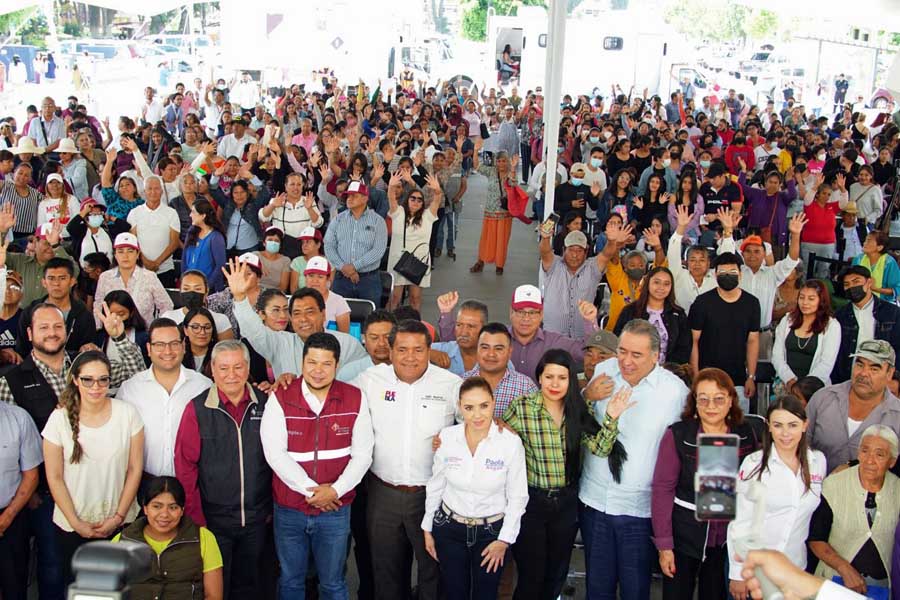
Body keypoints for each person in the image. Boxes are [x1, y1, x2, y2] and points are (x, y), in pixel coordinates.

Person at [578, 320, 690, 600]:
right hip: (595, 501)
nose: (626, 361)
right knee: (597, 588)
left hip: (640, 510)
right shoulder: (603, 372)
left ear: (656, 356)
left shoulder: (675, 393)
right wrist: (586, 395)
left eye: (636, 355)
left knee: (636, 589)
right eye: (622, 351)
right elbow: (581, 423)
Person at [351, 319, 461, 600]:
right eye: (402, 349)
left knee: (432, 571)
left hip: (433, 496)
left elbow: (475, 426)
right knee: (386, 572)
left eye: (418, 350)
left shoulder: (451, 385)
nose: (410, 357)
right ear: (390, 351)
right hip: (382, 494)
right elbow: (330, 394)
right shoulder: (369, 381)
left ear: (429, 351)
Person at [260, 332, 373, 599]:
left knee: (333, 583)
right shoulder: (281, 396)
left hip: (335, 510)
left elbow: (363, 455)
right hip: (289, 509)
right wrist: (314, 491)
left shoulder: (355, 397)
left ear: (337, 365)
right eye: (312, 362)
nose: (318, 371)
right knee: (290, 581)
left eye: (326, 364)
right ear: (302, 363)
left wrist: (334, 491)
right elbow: (274, 453)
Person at [651, 367, 765, 600]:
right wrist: (664, 545)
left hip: (724, 542)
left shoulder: (746, 434)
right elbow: (662, 489)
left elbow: (754, 490)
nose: (711, 406)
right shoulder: (679, 434)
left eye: (718, 399)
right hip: (684, 538)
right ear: (695, 401)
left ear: (731, 399)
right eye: (703, 400)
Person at [501, 348, 606, 600]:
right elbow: (498, 441)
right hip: (532, 502)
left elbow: (601, 448)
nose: (555, 384)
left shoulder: (578, 409)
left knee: (556, 574)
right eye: (549, 377)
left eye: (562, 377)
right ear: (539, 377)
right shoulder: (523, 407)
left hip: (567, 502)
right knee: (531, 576)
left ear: (570, 380)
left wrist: (612, 418)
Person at [175, 340, 271, 600]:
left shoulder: (266, 403)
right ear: (213, 371)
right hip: (214, 520)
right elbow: (185, 468)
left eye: (238, 367)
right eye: (224, 368)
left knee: (252, 585)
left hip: (257, 519)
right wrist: (197, 520)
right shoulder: (197, 409)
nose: (232, 375)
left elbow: (278, 459)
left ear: (248, 369)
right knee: (217, 587)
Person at [42, 350, 145, 583]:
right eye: (88, 379)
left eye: (103, 379)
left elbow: (134, 469)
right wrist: (77, 523)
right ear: (76, 380)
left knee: (119, 589)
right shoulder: (58, 419)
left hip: (120, 523)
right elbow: (54, 477)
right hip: (72, 525)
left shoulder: (127, 413)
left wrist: (117, 518)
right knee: (80, 589)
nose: (96, 386)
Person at [422, 376, 528, 600]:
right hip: (449, 528)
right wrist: (427, 528)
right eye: (469, 408)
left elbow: (518, 497)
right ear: (460, 407)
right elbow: (436, 485)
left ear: (493, 402)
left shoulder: (510, 443)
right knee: (453, 592)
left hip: (490, 534)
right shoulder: (447, 438)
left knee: (486, 594)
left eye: (484, 406)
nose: (477, 415)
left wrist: (504, 540)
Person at [726, 396, 826, 599]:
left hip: (794, 570)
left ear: (805, 425)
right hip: (755, 570)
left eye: (793, 425)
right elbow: (739, 520)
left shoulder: (818, 462)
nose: (786, 433)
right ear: (769, 427)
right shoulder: (754, 464)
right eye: (778, 425)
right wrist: (737, 573)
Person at [227, 260, 369, 380]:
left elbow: (365, 379)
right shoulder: (280, 342)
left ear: (323, 314)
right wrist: (240, 298)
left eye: (310, 312)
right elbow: (254, 332)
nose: (303, 319)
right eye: (296, 313)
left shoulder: (348, 344)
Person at [116, 318, 212, 482]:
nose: (167, 351)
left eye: (174, 343)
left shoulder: (203, 386)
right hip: (143, 482)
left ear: (183, 346)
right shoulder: (130, 389)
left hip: (192, 482)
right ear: (149, 349)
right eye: (159, 345)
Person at [808, 425, 900, 595]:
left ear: (892, 461)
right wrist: (843, 568)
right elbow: (816, 540)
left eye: (880, 454)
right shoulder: (834, 485)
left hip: (882, 588)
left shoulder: (897, 490)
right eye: (865, 451)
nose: (870, 460)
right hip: (835, 582)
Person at [114, 476, 224, 600]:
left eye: (173, 507)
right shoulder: (122, 541)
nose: (165, 514)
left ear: (182, 510)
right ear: (145, 508)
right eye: (157, 506)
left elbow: (214, 596)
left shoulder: (203, 538)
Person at [807, 339, 900, 474]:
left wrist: (853, 467)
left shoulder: (897, 415)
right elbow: (799, 445)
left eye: (874, 368)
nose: (863, 373)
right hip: (816, 490)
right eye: (859, 364)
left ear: (889, 374)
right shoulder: (823, 398)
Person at [689, 252, 762, 413]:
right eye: (723, 273)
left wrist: (751, 376)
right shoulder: (702, 303)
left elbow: (753, 340)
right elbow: (693, 341)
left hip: (738, 380)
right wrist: (696, 376)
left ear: (740, 274)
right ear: (715, 275)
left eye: (732, 272)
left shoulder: (752, 303)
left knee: (737, 426)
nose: (727, 276)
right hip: (706, 378)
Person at [719, 211, 806, 331]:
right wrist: (728, 231)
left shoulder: (772, 274)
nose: (752, 255)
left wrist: (795, 235)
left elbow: (791, 260)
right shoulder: (736, 272)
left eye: (757, 251)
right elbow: (725, 257)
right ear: (742, 254)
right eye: (748, 251)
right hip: (736, 332)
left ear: (764, 254)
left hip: (763, 333)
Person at [539, 218, 618, 339]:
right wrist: (545, 238)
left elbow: (607, 254)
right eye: (571, 250)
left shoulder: (592, 268)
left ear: (586, 252)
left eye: (579, 250)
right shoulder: (554, 264)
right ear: (564, 250)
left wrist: (612, 241)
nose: (575, 255)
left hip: (582, 339)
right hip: (552, 338)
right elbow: (545, 252)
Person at [0, 395, 42, 600]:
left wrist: (7, 517)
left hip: (11, 517)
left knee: (14, 586)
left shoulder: (18, 418)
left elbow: (31, 475)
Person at [324, 181, 388, 307]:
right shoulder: (338, 219)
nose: (350, 199)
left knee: (370, 321)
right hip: (342, 278)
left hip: (368, 280)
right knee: (339, 318)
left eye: (354, 195)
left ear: (365, 198)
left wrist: (354, 267)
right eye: (348, 195)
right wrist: (343, 267)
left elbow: (379, 250)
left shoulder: (378, 221)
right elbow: (328, 245)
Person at [832, 266, 900, 384]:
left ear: (869, 282)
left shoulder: (892, 313)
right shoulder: (840, 316)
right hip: (848, 378)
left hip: (883, 378)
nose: (852, 287)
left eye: (856, 281)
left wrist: (893, 378)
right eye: (847, 284)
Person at [16, 256, 94, 358]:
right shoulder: (30, 312)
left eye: (62, 278)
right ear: (44, 282)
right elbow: (22, 350)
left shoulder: (84, 315)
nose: (56, 284)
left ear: (72, 281)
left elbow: (88, 350)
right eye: (51, 278)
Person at [386, 170, 442, 310]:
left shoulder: (428, 216)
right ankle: (389, 327)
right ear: (407, 200)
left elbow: (437, 200)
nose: (416, 201)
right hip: (397, 261)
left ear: (423, 203)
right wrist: (391, 186)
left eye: (419, 199)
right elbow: (391, 198)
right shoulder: (398, 212)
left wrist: (437, 190)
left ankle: (415, 327)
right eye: (413, 198)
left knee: (415, 299)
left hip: (419, 262)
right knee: (395, 298)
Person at [93, 232, 174, 328]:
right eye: (120, 251)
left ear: (138, 254)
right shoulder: (105, 277)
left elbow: (166, 305)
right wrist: (99, 331)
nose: (125, 256)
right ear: (115, 255)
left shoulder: (149, 277)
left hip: (142, 334)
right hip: (112, 332)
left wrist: (157, 330)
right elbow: (98, 306)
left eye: (130, 251)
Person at [772, 280, 841, 389]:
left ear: (821, 301)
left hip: (814, 388)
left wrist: (804, 388)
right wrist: (789, 380)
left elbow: (826, 363)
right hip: (785, 384)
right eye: (802, 297)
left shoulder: (832, 325)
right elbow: (777, 356)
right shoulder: (787, 320)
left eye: (811, 299)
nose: (805, 303)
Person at [614, 266, 691, 364]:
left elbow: (684, 349)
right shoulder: (630, 311)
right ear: (648, 283)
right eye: (656, 282)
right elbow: (617, 341)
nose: (661, 287)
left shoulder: (678, 314)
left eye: (666, 284)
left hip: (667, 373)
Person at [461, 322, 538, 416]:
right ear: (477, 349)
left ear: (510, 352)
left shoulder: (526, 387)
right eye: (485, 347)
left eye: (498, 348)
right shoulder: (460, 382)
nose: (491, 354)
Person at [469, 147, 522, 276]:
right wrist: (475, 151)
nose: (501, 164)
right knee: (486, 238)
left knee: (502, 240)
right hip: (490, 211)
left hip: (504, 212)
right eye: (499, 161)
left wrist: (514, 168)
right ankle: (480, 261)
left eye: (504, 161)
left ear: (508, 161)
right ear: (496, 162)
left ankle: (499, 265)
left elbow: (514, 184)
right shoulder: (492, 171)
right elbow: (476, 166)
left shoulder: (511, 172)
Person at [127, 175, 181, 287]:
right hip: (140, 268)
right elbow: (132, 241)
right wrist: (145, 261)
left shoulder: (171, 213)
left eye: (156, 188)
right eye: (150, 189)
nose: (153, 192)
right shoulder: (134, 213)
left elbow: (174, 242)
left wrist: (157, 263)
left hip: (165, 269)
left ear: (161, 191)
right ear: (144, 191)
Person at [160, 270, 234, 339]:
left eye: (197, 289)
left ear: (206, 291)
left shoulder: (220, 319)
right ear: (180, 291)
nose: (191, 294)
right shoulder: (168, 317)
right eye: (186, 289)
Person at [433, 293, 489, 377]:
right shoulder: (442, 350)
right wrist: (429, 353)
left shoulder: (496, 358)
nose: (463, 332)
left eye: (471, 326)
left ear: (484, 329)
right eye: (459, 325)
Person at [182, 199, 227, 293]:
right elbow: (184, 260)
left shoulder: (215, 237)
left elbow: (220, 266)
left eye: (193, 212)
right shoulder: (191, 232)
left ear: (203, 216)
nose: (190, 215)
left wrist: (206, 286)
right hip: (190, 286)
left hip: (209, 289)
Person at [303, 256, 350, 333]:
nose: (315, 281)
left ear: (328, 279)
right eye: (311, 276)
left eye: (320, 277)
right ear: (305, 278)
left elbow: (344, 336)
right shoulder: (296, 299)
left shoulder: (339, 302)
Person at [852, 231, 900, 303]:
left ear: (879, 247)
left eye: (869, 241)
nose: (864, 243)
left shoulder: (889, 262)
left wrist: (875, 289)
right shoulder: (858, 259)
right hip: (860, 301)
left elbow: (896, 289)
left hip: (883, 303)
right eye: (865, 240)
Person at [181, 307, 219, 377]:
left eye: (207, 327)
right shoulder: (178, 355)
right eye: (195, 327)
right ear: (185, 330)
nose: (202, 332)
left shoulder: (220, 355)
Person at [255, 226, 290, 292]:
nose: (273, 243)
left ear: (280, 245)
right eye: (270, 240)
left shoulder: (285, 261)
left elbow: (283, 287)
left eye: (276, 241)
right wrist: (258, 263)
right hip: (255, 292)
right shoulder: (255, 255)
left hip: (275, 295)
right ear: (264, 243)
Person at [288, 226, 324, 292]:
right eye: (303, 242)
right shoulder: (297, 262)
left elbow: (330, 287)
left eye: (308, 242)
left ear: (318, 244)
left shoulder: (328, 262)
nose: (304, 245)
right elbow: (293, 289)